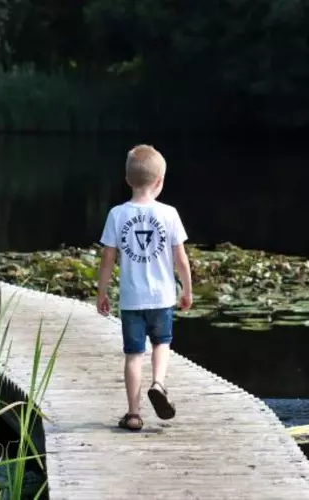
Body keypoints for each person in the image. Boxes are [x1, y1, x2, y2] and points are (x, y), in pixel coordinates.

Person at [96, 144, 193, 431]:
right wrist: (187, 290)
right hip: (162, 297)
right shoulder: (169, 213)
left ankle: (134, 414)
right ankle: (159, 384)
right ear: (160, 181)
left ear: (127, 180)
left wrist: (102, 292)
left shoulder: (117, 214)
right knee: (162, 344)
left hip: (131, 300)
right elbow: (181, 258)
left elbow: (107, 258)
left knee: (133, 355)